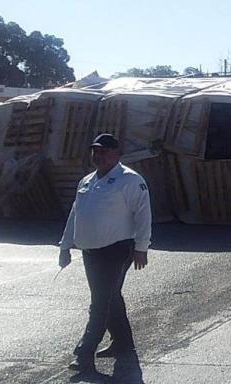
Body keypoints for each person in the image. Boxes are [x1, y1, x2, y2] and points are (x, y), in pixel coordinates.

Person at [59, 133, 152, 376]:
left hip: (117, 249)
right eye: (95, 151)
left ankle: (84, 352)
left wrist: (142, 247)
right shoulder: (87, 181)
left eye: (103, 151)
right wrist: (65, 245)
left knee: (100, 301)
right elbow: (75, 214)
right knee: (108, 297)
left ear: (116, 154)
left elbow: (143, 214)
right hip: (90, 251)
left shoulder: (130, 180)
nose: (97, 156)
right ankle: (123, 343)